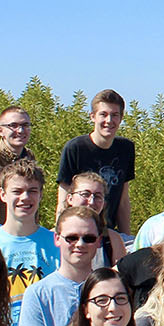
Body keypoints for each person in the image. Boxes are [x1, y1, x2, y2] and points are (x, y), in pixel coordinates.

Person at [0, 160, 60, 326]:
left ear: (40, 194)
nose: (25, 198)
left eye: (32, 191)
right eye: (17, 191)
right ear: (3, 194)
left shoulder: (58, 243)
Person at [56, 89, 135, 233]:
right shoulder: (75, 148)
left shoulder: (126, 148)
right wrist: (62, 234)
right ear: (93, 116)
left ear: (121, 118)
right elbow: (63, 199)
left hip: (109, 232)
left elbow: (123, 200)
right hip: (79, 230)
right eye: (103, 114)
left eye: (114, 115)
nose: (109, 121)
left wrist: (126, 238)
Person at [62, 172, 129, 266]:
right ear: (70, 198)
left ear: (104, 203)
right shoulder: (52, 236)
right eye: (85, 194)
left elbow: (119, 278)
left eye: (98, 196)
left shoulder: (112, 240)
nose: (91, 201)